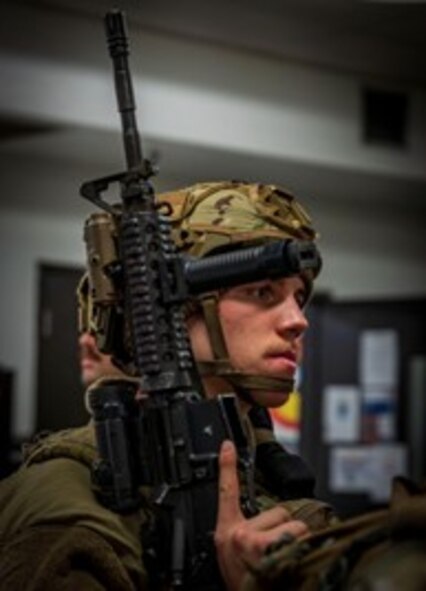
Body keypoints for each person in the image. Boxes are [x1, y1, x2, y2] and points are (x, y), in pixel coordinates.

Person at [0, 181, 336, 590]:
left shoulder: (273, 483)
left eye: (298, 298)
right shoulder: (67, 507)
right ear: (175, 311)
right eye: (262, 291)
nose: (297, 320)